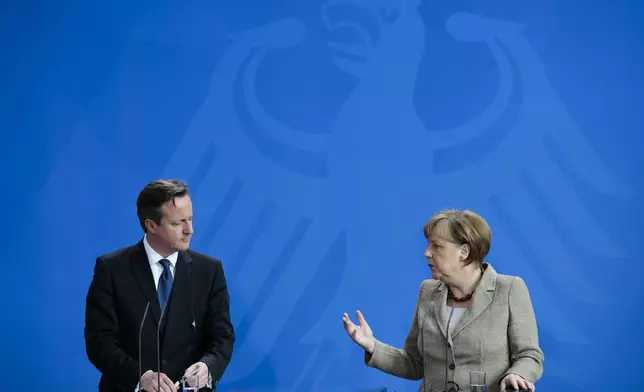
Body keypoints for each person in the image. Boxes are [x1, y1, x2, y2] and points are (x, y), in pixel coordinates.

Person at [342, 209, 543, 392]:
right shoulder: (427, 291)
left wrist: (516, 374)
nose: (426, 253)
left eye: (437, 246)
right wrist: (372, 346)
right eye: (428, 245)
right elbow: (415, 363)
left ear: (464, 252)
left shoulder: (509, 289)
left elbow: (529, 356)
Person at [85, 179, 235, 392]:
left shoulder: (209, 271)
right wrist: (140, 377)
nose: (189, 230)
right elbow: (99, 341)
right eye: (178, 223)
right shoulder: (111, 270)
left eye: (190, 219)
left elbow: (222, 337)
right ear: (151, 225)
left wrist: (208, 367)